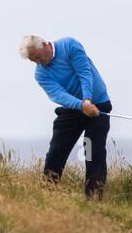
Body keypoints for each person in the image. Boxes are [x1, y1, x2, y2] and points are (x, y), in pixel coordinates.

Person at [20, 34, 113, 199]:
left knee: (93, 152)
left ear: (44, 44)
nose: (38, 63)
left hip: (98, 103)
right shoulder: (40, 74)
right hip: (72, 109)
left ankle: (93, 199)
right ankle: (47, 196)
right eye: (33, 61)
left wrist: (87, 100)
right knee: (56, 151)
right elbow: (58, 95)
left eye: (38, 57)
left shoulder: (69, 45)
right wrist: (81, 105)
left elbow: (84, 73)